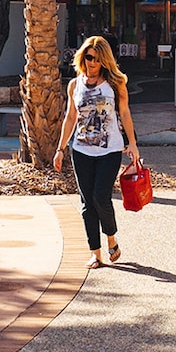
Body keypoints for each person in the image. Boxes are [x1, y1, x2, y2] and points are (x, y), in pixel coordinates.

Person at [53, 36, 140, 270]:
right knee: (86, 203)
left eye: (97, 59)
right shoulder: (74, 85)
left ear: (104, 61)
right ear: (82, 57)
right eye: (89, 57)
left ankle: (111, 238)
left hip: (109, 150)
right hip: (80, 150)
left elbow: (125, 114)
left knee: (100, 197)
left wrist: (132, 144)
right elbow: (70, 117)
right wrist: (60, 149)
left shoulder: (115, 84)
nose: (92, 63)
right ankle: (95, 253)